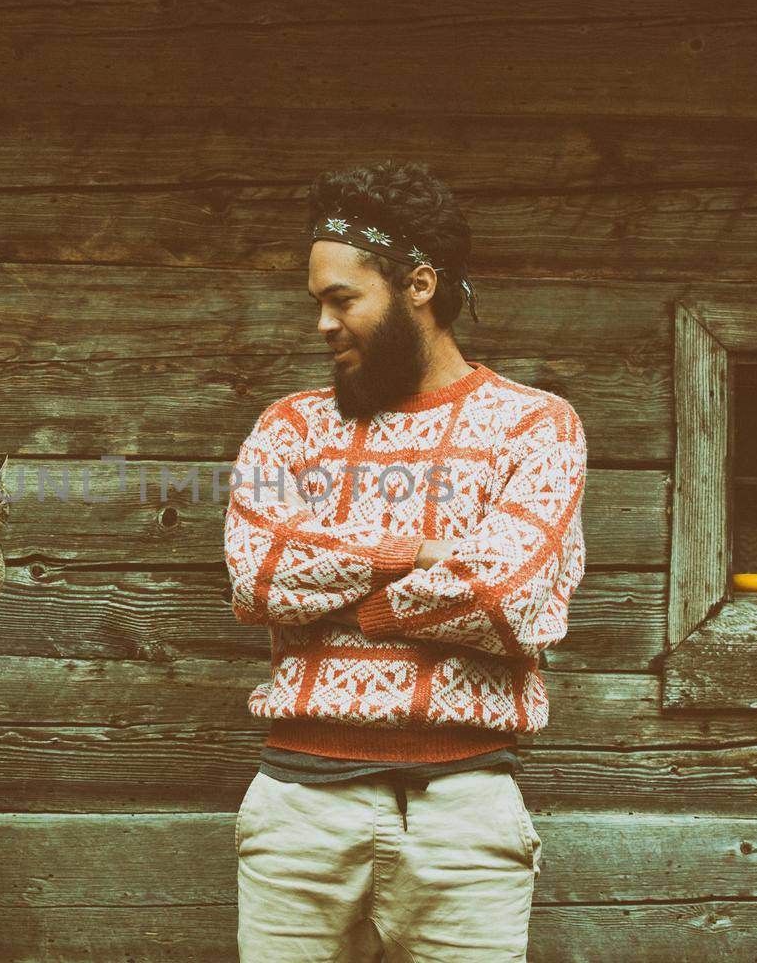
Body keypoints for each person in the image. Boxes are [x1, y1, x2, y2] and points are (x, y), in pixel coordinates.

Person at [224, 159, 587, 962]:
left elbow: (510, 601)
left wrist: (345, 605)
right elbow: (258, 573)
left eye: (341, 299)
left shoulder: (534, 427)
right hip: (299, 812)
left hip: (465, 815)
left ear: (418, 286)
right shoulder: (291, 428)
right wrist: (417, 552)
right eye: (318, 302)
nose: (323, 323)